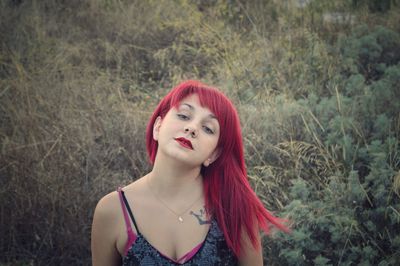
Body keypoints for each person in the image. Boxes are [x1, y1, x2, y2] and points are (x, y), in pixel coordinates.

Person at [91, 80, 288, 265]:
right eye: (184, 115)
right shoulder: (112, 211)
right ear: (158, 127)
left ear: (214, 154)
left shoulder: (235, 209)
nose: (192, 128)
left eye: (208, 129)